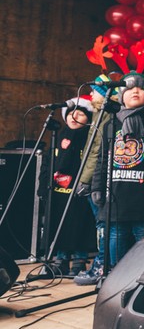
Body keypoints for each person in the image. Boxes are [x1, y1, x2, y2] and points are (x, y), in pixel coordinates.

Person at [90, 73, 144, 266]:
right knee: (116, 239)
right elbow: (102, 159)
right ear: (121, 95)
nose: (135, 91)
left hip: (142, 195)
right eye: (129, 88)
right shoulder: (112, 124)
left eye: (140, 88)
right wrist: (97, 186)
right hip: (116, 195)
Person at [74, 75, 117, 286]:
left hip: (97, 179)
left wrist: (86, 180)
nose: (90, 95)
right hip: (95, 177)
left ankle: (102, 265)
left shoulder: (105, 114)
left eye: (93, 91)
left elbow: (97, 151)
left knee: (102, 224)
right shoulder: (99, 114)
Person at [46, 96, 96, 276]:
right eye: (70, 114)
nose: (73, 117)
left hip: (79, 191)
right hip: (59, 191)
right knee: (60, 224)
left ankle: (79, 259)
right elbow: (50, 162)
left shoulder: (88, 137)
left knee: (79, 224)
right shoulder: (60, 136)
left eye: (80, 115)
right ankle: (61, 258)